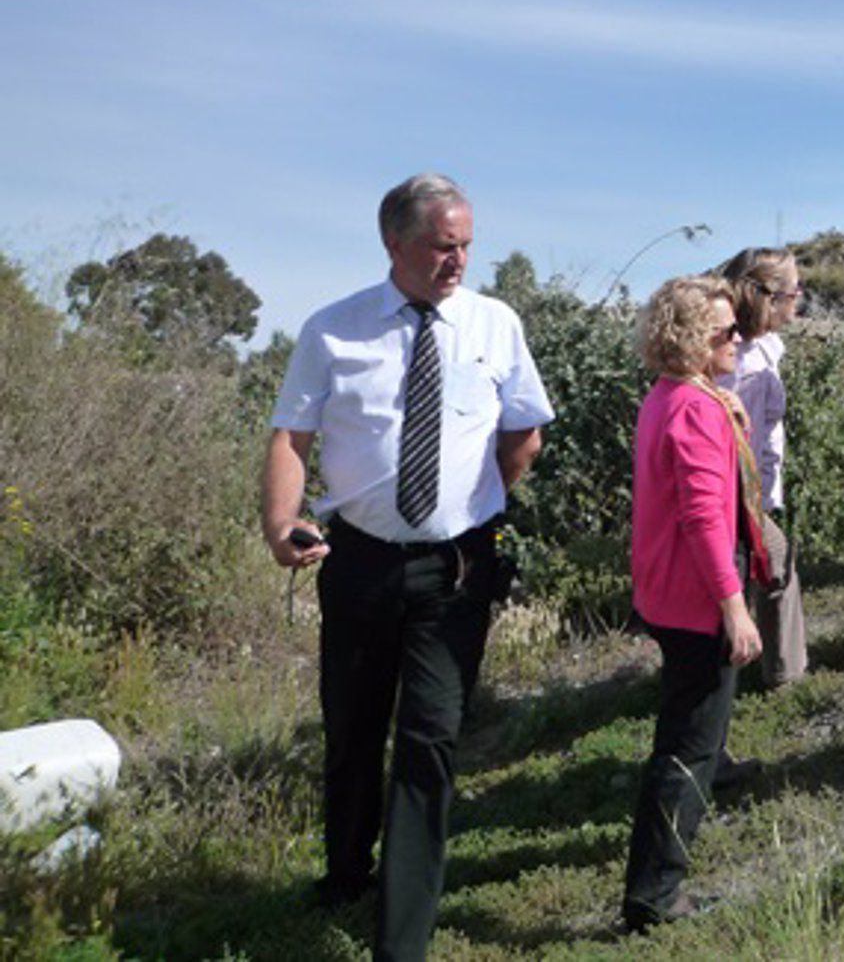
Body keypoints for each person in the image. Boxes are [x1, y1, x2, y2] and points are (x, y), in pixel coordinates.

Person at [262, 172, 552, 962]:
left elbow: (524, 430)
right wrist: (280, 522)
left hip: (456, 570)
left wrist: (477, 500)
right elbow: (292, 437)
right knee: (353, 727)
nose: (458, 259)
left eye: (465, 244)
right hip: (357, 562)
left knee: (431, 737)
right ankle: (346, 872)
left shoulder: (496, 323)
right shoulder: (334, 330)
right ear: (394, 243)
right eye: (441, 245)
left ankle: (403, 934)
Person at [623, 276, 771, 932]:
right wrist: (733, 607)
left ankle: (653, 889)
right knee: (688, 751)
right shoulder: (695, 409)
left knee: (680, 739)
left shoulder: (671, 395)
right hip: (695, 600)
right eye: (724, 331)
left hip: (666, 591)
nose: (737, 338)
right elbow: (705, 519)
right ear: (690, 337)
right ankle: (655, 898)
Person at [719, 246, 809, 685]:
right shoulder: (736, 362)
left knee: (766, 567)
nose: (799, 298)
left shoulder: (766, 349)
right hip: (734, 487)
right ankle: (782, 675)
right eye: (793, 291)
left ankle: (771, 670)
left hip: (752, 487)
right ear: (768, 297)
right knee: (774, 566)